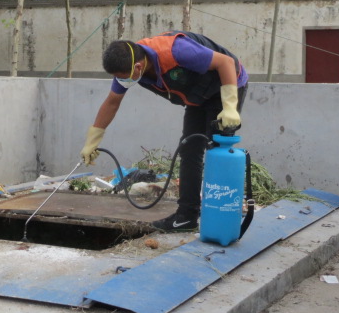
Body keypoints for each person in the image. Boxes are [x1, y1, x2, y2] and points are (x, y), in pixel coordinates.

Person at [80, 30, 248, 231]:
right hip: (197, 97)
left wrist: (229, 106)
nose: (120, 81)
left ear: (138, 66)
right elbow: (112, 102)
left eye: (122, 77)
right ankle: (186, 216)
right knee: (189, 150)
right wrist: (93, 140)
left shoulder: (177, 51)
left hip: (226, 84)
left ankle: (220, 216)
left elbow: (226, 63)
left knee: (217, 151)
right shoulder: (128, 66)